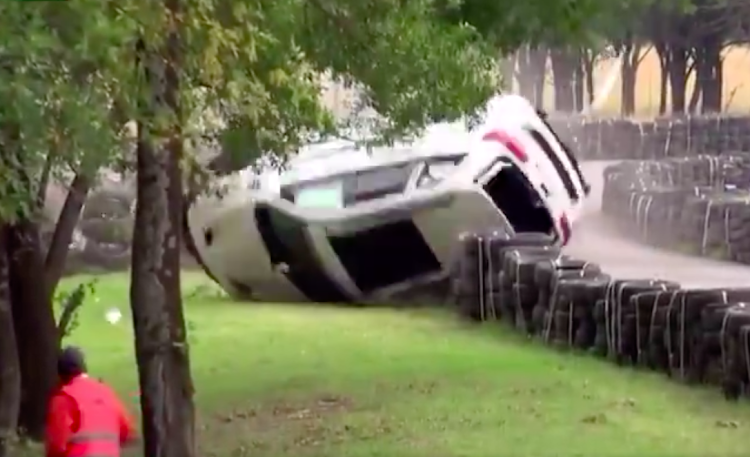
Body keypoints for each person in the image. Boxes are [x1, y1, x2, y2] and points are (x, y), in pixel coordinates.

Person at [45, 346, 138, 457]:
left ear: (60, 376)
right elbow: (128, 432)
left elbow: (57, 445)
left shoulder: (64, 397)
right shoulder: (106, 392)